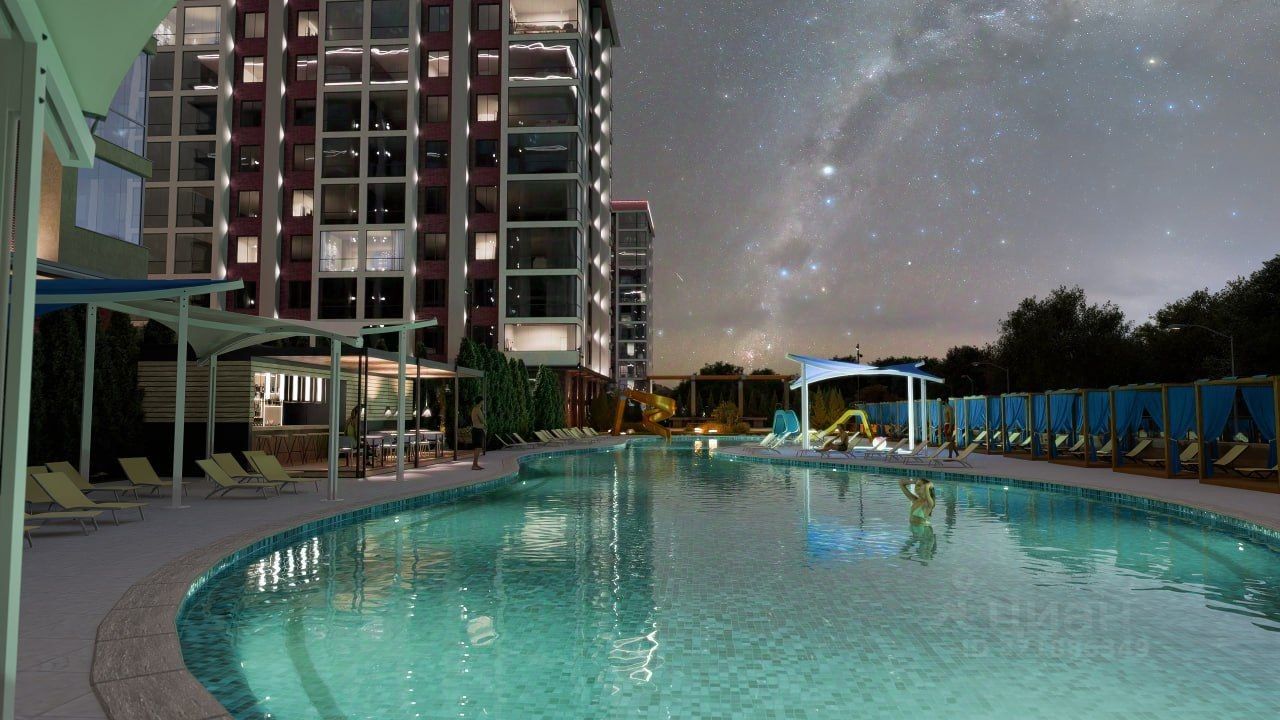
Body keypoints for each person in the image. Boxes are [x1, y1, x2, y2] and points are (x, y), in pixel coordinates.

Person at [470, 396, 486, 470]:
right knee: (477, 448)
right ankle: (474, 465)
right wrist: (485, 424)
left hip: (476, 430)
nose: (483, 403)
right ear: (480, 401)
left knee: (478, 448)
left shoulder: (474, 409)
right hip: (477, 430)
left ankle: (475, 464)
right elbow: (482, 420)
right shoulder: (477, 409)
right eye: (482, 401)